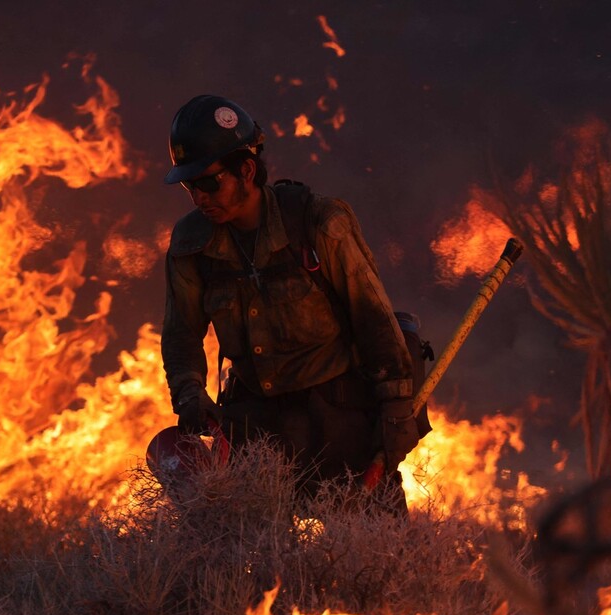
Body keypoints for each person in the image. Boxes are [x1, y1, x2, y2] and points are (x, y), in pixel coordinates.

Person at [160, 94, 419, 501]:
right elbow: (181, 334)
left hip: (338, 420)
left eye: (209, 183)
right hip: (256, 427)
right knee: (238, 552)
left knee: (378, 551)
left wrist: (397, 410)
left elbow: (374, 320)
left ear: (246, 170)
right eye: (190, 186)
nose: (199, 198)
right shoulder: (191, 244)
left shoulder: (319, 223)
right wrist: (190, 395)